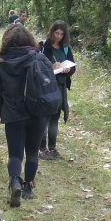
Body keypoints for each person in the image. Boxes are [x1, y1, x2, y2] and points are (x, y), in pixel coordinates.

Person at [0, 23, 52, 207]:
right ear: (29, 39)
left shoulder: (2, 63)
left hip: (12, 113)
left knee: (15, 153)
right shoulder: (39, 58)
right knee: (32, 151)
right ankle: (28, 188)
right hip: (37, 112)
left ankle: (15, 181)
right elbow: (50, 80)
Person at [39, 20, 76, 160]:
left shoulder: (66, 48)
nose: (59, 36)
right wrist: (51, 67)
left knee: (55, 117)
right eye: (56, 33)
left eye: (62, 34)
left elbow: (73, 66)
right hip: (46, 86)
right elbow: (36, 67)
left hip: (60, 85)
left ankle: (52, 148)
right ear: (52, 32)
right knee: (45, 117)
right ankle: (42, 149)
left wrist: (67, 70)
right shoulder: (43, 46)